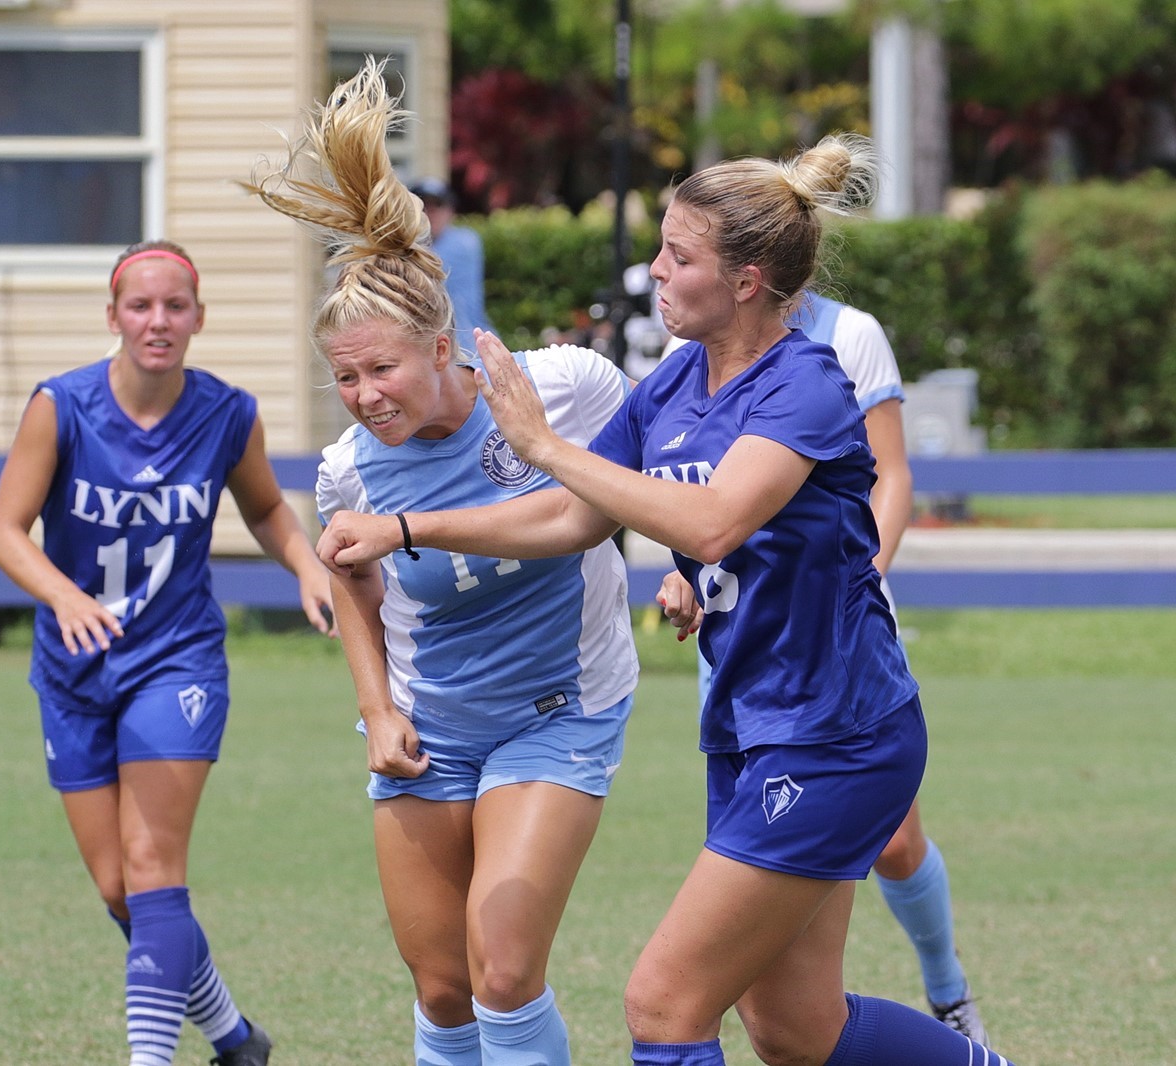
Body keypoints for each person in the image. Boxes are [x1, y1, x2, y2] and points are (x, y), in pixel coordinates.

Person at [319, 134, 1019, 1066]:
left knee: (662, 1006)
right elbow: (574, 518)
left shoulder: (805, 382)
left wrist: (544, 447)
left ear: (746, 281)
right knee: (795, 1028)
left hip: (836, 731)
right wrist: (409, 528)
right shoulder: (677, 383)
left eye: (678, 255)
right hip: (749, 725)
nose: (654, 270)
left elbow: (717, 519)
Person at [244, 59, 639, 1066]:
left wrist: (413, 530)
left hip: (561, 710)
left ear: (440, 346)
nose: (366, 395)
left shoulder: (563, 388)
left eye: (382, 368)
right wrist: (376, 711)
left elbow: (590, 512)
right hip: (434, 725)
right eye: (344, 378)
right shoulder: (348, 470)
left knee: (502, 970)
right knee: (442, 987)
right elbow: (352, 578)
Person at [0, 238, 333, 1066]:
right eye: (140, 306)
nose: (158, 320)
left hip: (176, 661)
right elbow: (4, 530)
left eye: (175, 306)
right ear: (112, 316)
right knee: (122, 889)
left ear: (198, 318)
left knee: (152, 864)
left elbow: (265, 508)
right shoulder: (60, 406)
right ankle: (236, 1039)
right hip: (73, 668)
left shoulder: (228, 413)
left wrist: (307, 563)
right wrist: (64, 595)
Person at [669, 291, 989, 1043]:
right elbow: (699, 491)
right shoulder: (696, 344)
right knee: (775, 1009)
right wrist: (690, 572)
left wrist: (854, 579)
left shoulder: (850, 333)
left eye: (682, 252)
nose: (663, 270)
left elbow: (892, 477)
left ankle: (948, 991)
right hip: (744, 645)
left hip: (840, 639)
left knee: (897, 844)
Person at [409, 177, 496, 354]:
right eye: (422, 206)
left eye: (437, 205)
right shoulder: (410, 247)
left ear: (450, 211)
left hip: (470, 345)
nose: (429, 213)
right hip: (433, 347)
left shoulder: (464, 243)